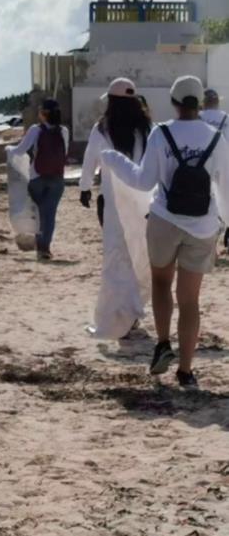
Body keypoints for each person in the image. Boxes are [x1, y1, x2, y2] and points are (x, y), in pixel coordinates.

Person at [101, 76, 229, 390]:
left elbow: (144, 182)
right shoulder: (217, 138)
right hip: (202, 225)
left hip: (164, 221)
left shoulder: (161, 133)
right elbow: (225, 188)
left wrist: (115, 160)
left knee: (161, 283)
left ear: (173, 102)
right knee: (190, 300)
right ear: (199, 104)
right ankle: (186, 371)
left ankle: (162, 343)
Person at [78, 78, 152, 340]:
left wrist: (85, 187)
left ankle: (113, 318)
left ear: (111, 100)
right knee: (138, 255)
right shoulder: (145, 127)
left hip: (112, 203)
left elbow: (90, 159)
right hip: (142, 201)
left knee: (115, 257)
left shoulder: (103, 128)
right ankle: (132, 312)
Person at [6, 99, 69, 260]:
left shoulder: (36, 130)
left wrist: (8, 149)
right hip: (57, 178)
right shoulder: (64, 131)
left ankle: (39, 245)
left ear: (43, 114)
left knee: (39, 213)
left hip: (37, 178)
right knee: (50, 214)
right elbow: (65, 152)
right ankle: (45, 248)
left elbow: (20, 150)